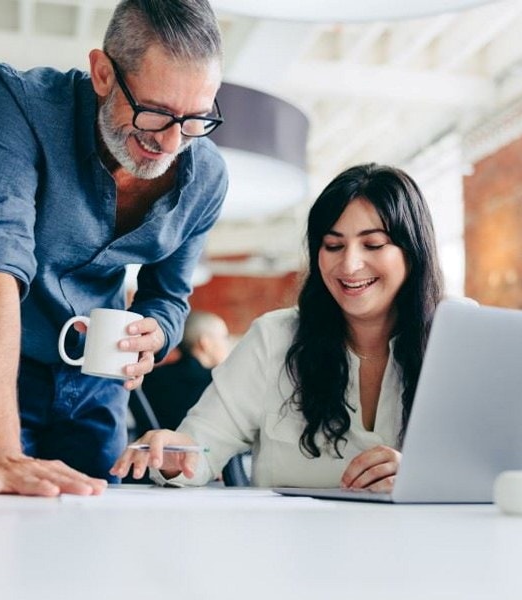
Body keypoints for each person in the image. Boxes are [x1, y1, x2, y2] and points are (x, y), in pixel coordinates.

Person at [0, 0, 227, 497]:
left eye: (196, 118)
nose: (173, 142)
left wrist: (158, 334)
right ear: (103, 73)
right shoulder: (23, 104)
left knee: (92, 533)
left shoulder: (207, 176)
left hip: (95, 377)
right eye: (156, 114)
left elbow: (169, 296)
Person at [112, 163, 445, 491]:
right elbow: (202, 446)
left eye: (373, 244)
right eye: (333, 245)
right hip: (289, 542)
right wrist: (173, 453)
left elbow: (491, 464)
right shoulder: (275, 337)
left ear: (412, 250)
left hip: (420, 541)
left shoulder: (454, 341)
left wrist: (425, 477)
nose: (350, 264)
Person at [140, 310, 232, 430]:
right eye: (224, 337)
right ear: (205, 343)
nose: (228, 344)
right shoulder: (218, 383)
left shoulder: (150, 377)